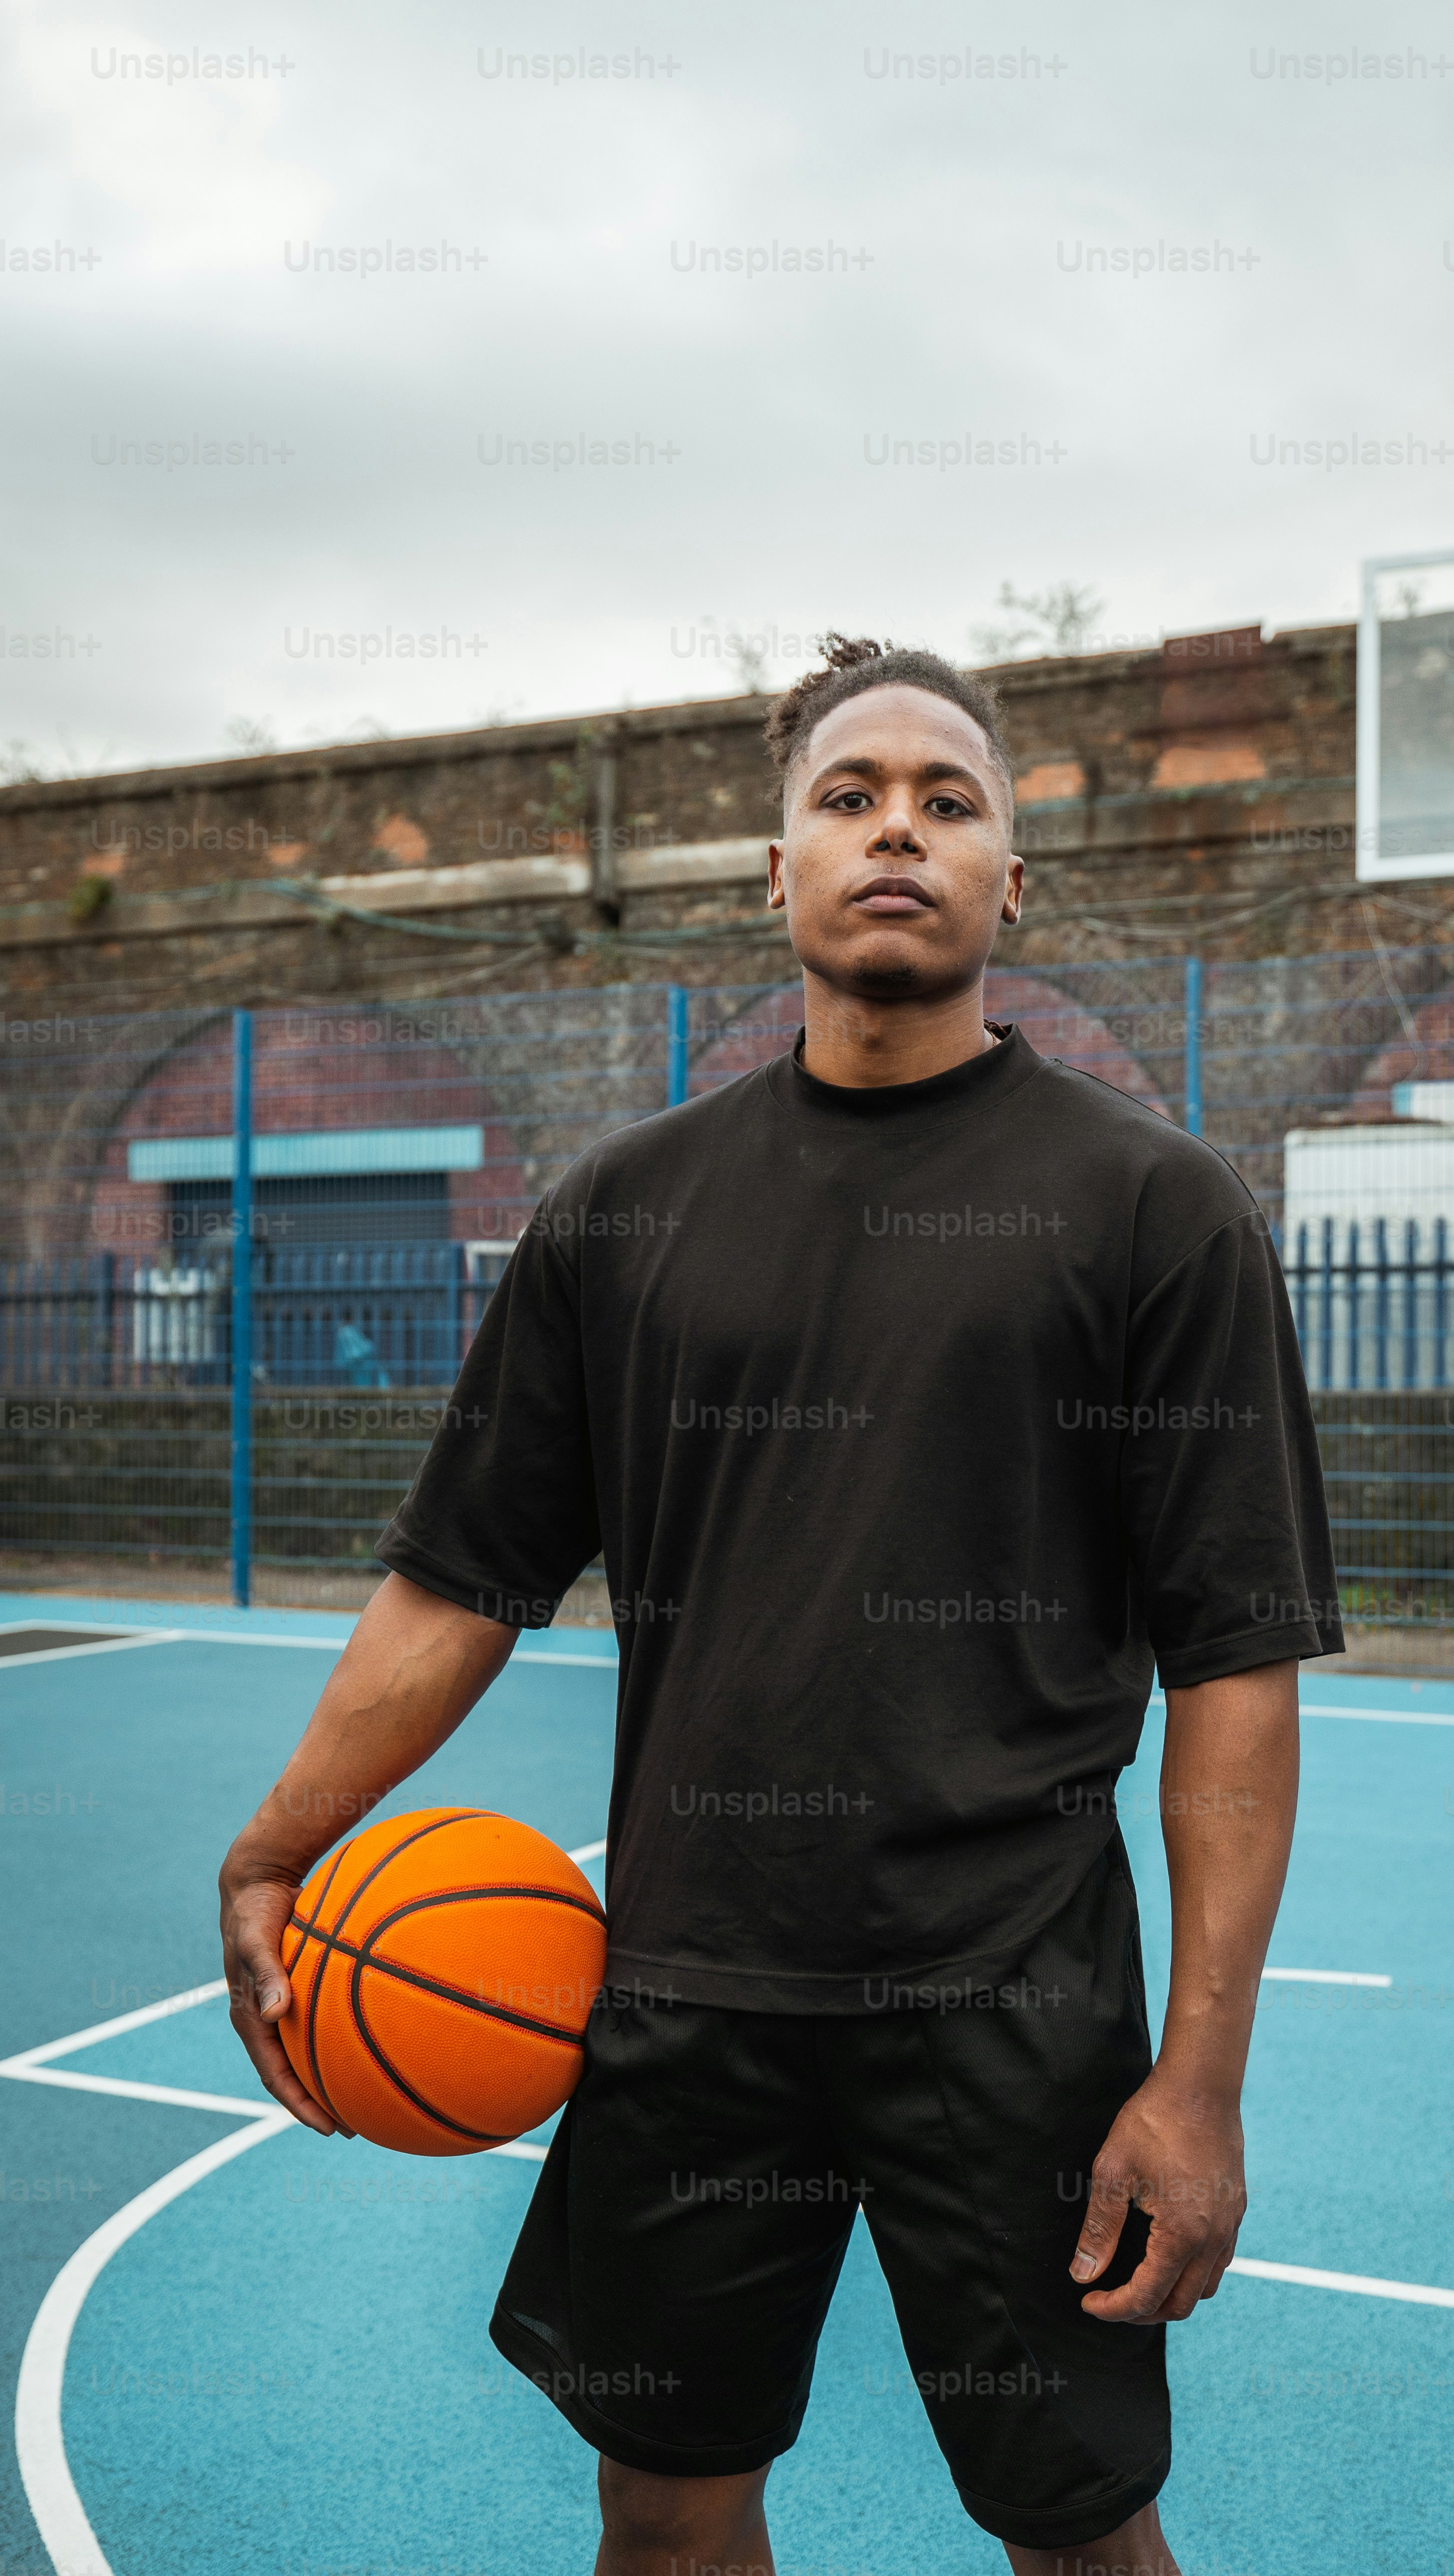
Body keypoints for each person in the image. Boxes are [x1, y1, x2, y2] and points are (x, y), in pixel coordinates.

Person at [221, 634, 1341, 2576]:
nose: (893, 825)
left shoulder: (1153, 1209)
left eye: (945, 797)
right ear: (772, 869)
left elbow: (1231, 1670)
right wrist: (277, 1839)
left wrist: (1198, 2076)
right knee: (661, 2511)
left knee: (1077, 2527)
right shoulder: (617, 1209)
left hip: (1006, 1997)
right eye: (846, 793)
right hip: (682, 1989)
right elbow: (459, 1580)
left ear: (1012, 880)